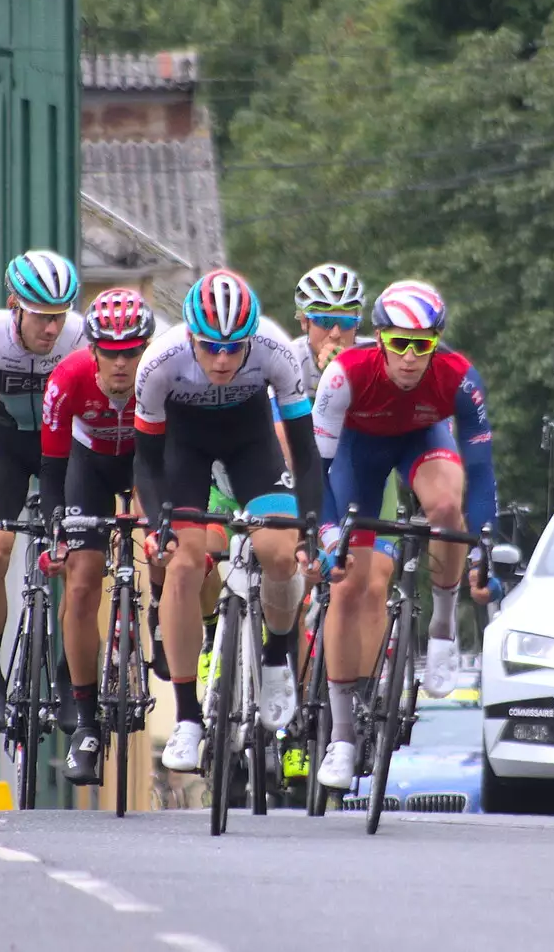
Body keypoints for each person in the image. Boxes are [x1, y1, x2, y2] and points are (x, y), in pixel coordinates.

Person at [310, 280, 503, 791]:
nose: (411, 357)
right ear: (379, 338)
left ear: (437, 342)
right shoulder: (344, 375)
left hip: (421, 442)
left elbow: (481, 475)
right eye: (400, 343)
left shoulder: (460, 379)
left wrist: (485, 549)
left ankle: (442, 628)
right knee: (348, 586)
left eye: (423, 344)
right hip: (358, 456)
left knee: (445, 505)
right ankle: (343, 737)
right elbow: (317, 470)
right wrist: (329, 541)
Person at [132, 269, 326, 773]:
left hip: (250, 443)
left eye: (233, 348)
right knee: (184, 563)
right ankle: (188, 717)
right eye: (210, 347)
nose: (221, 359)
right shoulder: (160, 361)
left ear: (250, 340)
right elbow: (147, 462)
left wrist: (308, 530)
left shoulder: (275, 350)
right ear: (191, 335)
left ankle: (279, 652)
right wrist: (160, 526)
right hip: (185, 449)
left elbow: (305, 456)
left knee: (280, 554)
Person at [0, 250, 85, 734]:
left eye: (60, 316)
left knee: (76, 560)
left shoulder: (79, 338)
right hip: (4, 447)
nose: (52, 329)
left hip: (62, 453)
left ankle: (71, 680)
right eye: (43, 317)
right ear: (15, 305)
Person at [38, 289, 154, 784]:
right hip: (88, 467)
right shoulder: (67, 380)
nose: (122, 364)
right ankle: (85, 723)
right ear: (93, 350)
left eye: (132, 352)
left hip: (146, 461)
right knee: (82, 584)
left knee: (166, 547)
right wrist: (54, 526)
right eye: (111, 352)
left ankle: (166, 628)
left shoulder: (160, 378)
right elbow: (51, 465)